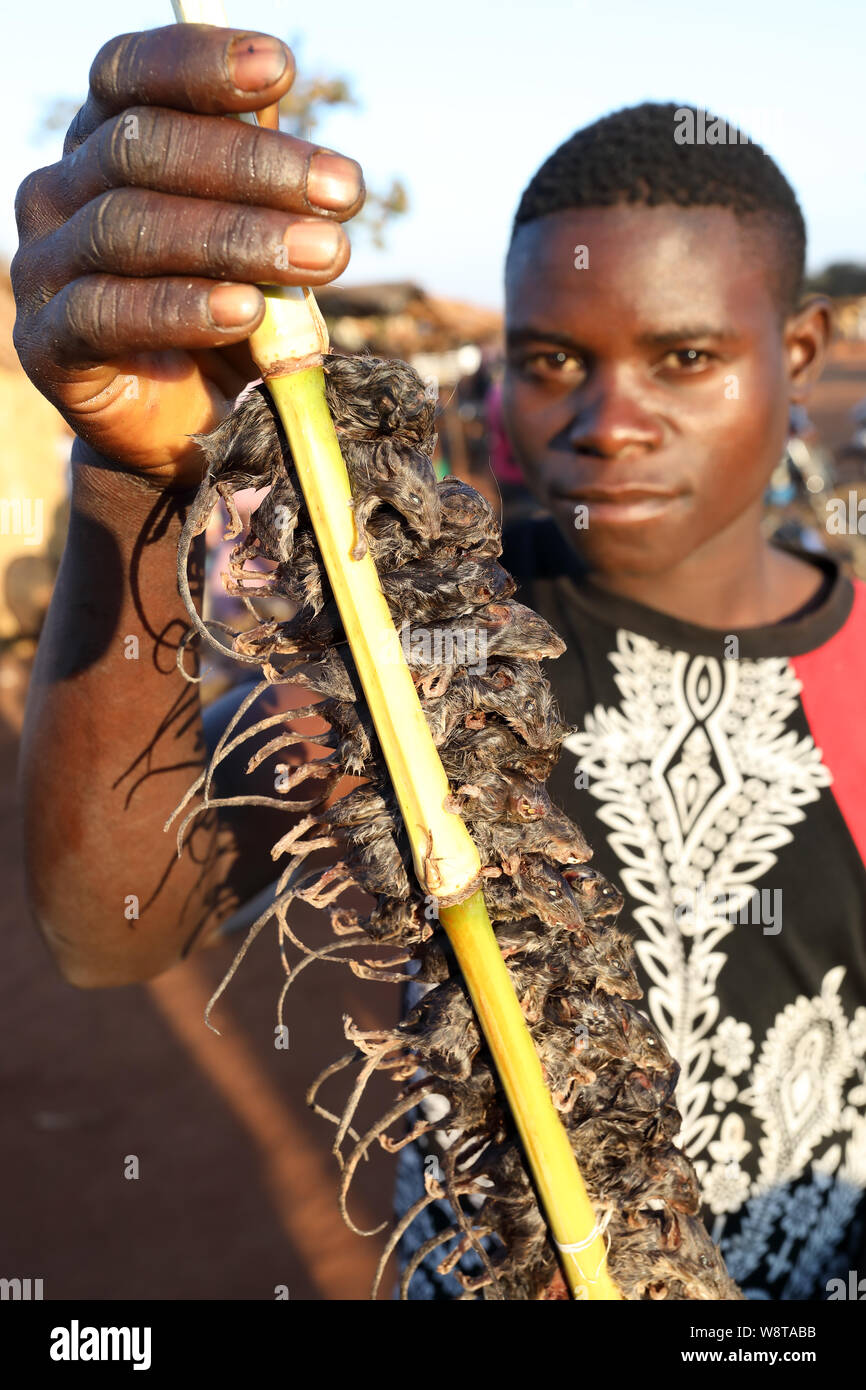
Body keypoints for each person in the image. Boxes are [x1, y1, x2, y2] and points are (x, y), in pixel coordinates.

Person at [13, 29, 865, 1302]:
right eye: (550, 361)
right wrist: (132, 474)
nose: (605, 422)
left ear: (794, 355)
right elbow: (108, 935)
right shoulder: (411, 627)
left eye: (682, 357)